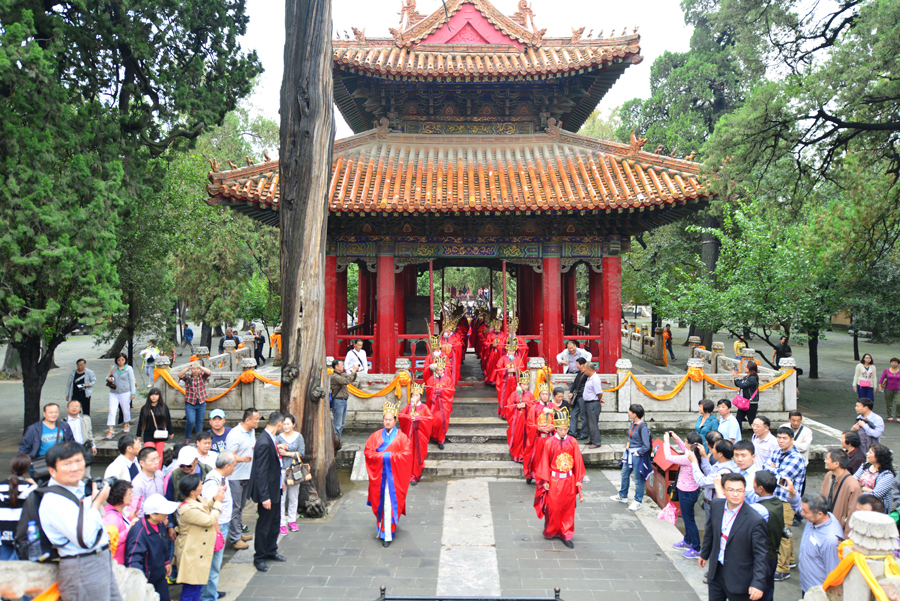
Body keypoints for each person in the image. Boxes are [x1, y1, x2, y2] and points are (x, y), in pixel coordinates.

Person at [39, 442, 120, 601]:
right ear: (52, 471)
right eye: (67, 463)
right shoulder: (54, 501)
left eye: (78, 460)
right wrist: (97, 503)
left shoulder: (81, 487)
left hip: (101, 560)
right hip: (82, 567)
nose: (75, 467)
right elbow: (86, 538)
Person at [699, 473, 768, 601]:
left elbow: (761, 555)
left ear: (745, 492)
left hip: (739, 578)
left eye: (739, 490)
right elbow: (710, 532)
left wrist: (758, 583)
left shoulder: (755, 520)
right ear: (724, 491)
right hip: (716, 571)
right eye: (731, 490)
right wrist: (704, 554)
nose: (735, 494)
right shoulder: (717, 505)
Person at [364, 400, 413, 548]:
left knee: (390, 503)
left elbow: (407, 454)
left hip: (394, 478)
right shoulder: (375, 436)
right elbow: (368, 452)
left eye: (390, 419)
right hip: (379, 476)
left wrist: (387, 456)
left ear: (395, 420)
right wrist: (385, 456)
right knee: (380, 502)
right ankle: (382, 526)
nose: (387, 422)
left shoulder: (402, 437)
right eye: (385, 419)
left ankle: (387, 533)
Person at [534, 408, 585, 548]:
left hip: (569, 480)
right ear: (555, 428)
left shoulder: (573, 442)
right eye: (560, 429)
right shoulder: (549, 442)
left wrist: (578, 480)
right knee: (553, 507)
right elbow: (544, 461)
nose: (563, 432)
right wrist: (545, 480)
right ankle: (552, 530)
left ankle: (566, 533)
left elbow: (578, 461)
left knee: (568, 508)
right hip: (554, 481)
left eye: (566, 429)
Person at [174, 473, 224, 601]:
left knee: (198, 586)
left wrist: (217, 497)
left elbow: (206, 507)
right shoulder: (187, 509)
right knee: (191, 589)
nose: (202, 485)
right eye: (200, 484)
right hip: (191, 553)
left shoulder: (198, 500)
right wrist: (218, 502)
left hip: (197, 551)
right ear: (192, 492)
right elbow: (209, 520)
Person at [765, 426, 806, 581]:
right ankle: (790, 561)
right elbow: (765, 468)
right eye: (779, 437)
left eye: (785, 438)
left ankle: (782, 569)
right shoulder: (776, 452)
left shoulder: (796, 457)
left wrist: (772, 470)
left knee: (783, 533)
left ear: (792, 439)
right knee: (784, 531)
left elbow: (782, 478)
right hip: (775, 497)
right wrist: (773, 470)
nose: (781, 441)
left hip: (787, 501)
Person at [249, 412, 287, 572]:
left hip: (275, 488)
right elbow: (261, 472)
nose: (283, 428)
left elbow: (274, 465)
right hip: (267, 493)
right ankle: (259, 556)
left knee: (275, 522)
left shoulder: (270, 439)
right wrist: (264, 497)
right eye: (282, 425)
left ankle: (271, 550)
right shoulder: (264, 442)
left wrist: (280, 483)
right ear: (279, 424)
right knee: (264, 525)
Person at [125, 493, 179, 601]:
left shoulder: (160, 524)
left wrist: (166, 561)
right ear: (153, 515)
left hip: (160, 576)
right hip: (147, 580)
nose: (167, 513)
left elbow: (163, 544)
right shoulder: (138, 532)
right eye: (164, 511)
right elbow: (133, 559)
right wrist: (140, 579)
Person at [201, 452, 236, 601]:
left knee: (216, 563)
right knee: (213, 565)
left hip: (222, 524)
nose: (234, 468)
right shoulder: (213, 481)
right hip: (217, 526)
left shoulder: (222, 477)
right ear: (227, 466)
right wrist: (217, 532)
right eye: (234, 465)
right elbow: (209, 507)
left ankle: (212, 591)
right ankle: (208, 596)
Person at [665, 431, 703, 559]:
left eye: (686, 440)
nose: (684, 442)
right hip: (689, 489)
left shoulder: (688, 458)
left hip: (687, 492)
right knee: (688, 519)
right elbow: (684, 448)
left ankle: (696, 548)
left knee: (689, 520)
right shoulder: (693, 453)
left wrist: (666, 441)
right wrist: (676, 438)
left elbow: (668, 457)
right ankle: (687, 541)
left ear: (691, 444)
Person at [797, 493, 845, 596]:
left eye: (805, 511)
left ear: (819, 514)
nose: (802, 514)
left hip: (819, 593)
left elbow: (834, 575)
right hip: (807, 585)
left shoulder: (830, 540)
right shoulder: (816, 519)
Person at [749, 470, 786, 601]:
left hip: (761, 557)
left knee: (758, 590)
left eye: (753, 482)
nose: (752, 485)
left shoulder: (758, 509)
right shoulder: (776, 502)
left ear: (760, 488)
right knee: (768, 588)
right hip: (773, 554)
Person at [225, 407, 258, 550]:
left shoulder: (252, 431)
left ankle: (237, 532)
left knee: (241, 506)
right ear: (247, 420)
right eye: (256, 419)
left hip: (248, 474)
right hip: (235, 476)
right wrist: (243, 459)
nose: (258, 421)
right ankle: (235, 538)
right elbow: (229, 456)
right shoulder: (234, 433)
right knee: (235, 507)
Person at [610, 404, 651, 511]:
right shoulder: (633, 423)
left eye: (630, 411)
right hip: (628, 453)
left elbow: (647, 445)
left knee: (638, 479)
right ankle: (623, 495)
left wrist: (638, 453)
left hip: (637, 455)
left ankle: (638, 501)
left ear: (635, 414)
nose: (628, 413)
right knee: (624, 474)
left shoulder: (643, 427)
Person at [820, 448, 861, 536]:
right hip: (824, 526)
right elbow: (821, 498)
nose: (825, 461)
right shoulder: (829, 476)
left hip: (838, 532)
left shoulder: (853, 486)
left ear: (836, 464)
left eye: (827, 459)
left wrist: (845, 538)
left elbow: (852, 516)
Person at [0, 455, 35, 561]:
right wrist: (36, 486)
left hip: (2, 533)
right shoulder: (30, 488)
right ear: (28, 469)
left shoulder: (1, 486)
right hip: (22, 534)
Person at [398, 383, 433, 485]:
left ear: (420, 396)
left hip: (419, 436)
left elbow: (430, 419)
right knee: (408, 454)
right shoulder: (408, 407)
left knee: (417, 456)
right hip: (409, 435)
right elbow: (401, 416)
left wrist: (417, 419)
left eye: (417, 395)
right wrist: (409, 418)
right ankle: (408, 474)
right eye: (413, 395)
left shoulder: (424, 407)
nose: (414, 397)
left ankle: (415, 475)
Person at [277, 413, 305, 533]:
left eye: (288, 423)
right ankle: (281, 523)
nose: (286, 426)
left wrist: (287, 453)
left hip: (295, 470)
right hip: (282, 470)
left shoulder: (299, 437)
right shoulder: (278, 438)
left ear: (293, 424)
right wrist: (279, 450)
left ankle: (292, 521)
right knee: (282, 498)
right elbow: (274, 452)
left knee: (294, 496)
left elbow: (302, 453)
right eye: (284, 424)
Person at [853, 443, 895, 512]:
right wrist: (868, 490)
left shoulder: (887, 475)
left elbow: (875, 495)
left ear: (878, 457)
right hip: (861, 506)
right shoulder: (865, 465)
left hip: (876, 510)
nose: (867, 454)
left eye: (870, 452)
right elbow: (853, 480)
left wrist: (859, 489)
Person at [177, 361, 212, 444]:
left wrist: (201, 367)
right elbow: (179, 375)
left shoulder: (202, 376)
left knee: (199, 422)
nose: (195, 370)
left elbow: (209, 372)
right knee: (191, 421)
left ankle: (198, 439)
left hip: (201, 402)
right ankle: (187, 438)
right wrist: (188, 368)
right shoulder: (188, 377)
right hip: (190, 402)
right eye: (193, 369)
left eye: (197, 369)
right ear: (191, 370)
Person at [504, 373, 535, 463]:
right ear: (520, 384)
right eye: (523, 384)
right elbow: (509, 406)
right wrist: (516, 407)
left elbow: (533, 407)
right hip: (517, 420)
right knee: (518, 437)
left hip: (527, 420)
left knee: (527, 437)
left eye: (527, 385)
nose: (525, 386)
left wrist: (526, 405)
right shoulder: (514, 394)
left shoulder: (530, 395)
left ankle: (525, 455)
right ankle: (518, 455)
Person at [103, 479, 134, 566]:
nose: (132, 496)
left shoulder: (118, 512)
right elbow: (110, 541)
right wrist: (129, 530)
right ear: (119, 495)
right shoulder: (112, 517)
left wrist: (130, 519)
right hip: (116, 565)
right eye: (129, 494)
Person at [105, 353, 136, 439]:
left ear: (125, 360)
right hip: (113, 392)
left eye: (122, 359)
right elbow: (107, 377)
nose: (120, 361)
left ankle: (126, 424)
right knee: (112, 411)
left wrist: (133, 393)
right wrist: (108, 379)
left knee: (125, 410)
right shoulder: (113, 368)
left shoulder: (128, 369)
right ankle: (111, 430)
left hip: (125, 392)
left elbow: (132, 381)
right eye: (119, 360)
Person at [130, 447, 166, 519]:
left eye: (157, 458)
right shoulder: (138, 483)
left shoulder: (159, 474)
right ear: (142, 463)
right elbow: (138, 510)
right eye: (152, 460)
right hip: (148, 521)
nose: (156, 462)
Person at [426, 358, 454, 450]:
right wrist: (434, 391)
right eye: (437, 370)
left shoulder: (448, 380)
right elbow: (428, 389)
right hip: (434, 404)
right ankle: (434, 436)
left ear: (444, 370)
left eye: (441, 370)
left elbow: (451, 391)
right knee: (434, 421)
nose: (439, 371)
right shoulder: (431, 379)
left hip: (444, 405)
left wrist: (441, 391)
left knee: (442, 421)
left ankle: (441, 440)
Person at [64, 399, 96, 477]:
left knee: (86, 474)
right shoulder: (63, 422)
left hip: (84, 448)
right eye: (71, 406)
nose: (74, 408)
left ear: (80, 409)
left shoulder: (86, 419)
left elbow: (89, 432)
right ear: (67, 409)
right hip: (70, 450)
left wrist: (93, 445)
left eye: (76, 406)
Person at [138, 387, 173, 455]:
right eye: (152, 395)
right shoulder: (144, 408)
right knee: (149, 453)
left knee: (159, 454)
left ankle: (158, 466)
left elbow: (168, 419)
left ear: (159, 396)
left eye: (156, 395)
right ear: (149, 396)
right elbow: (140, 422)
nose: (154, 396)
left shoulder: (164, 407)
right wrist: (138, 434)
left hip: (160, 434)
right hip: (148, 434)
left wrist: (171, 431)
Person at [330, 358, 358, 437]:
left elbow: (350, 378)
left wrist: (355, 372)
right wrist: (353, 371)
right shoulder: (334, 376)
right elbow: (346, 381)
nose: (342, 366)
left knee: (342, 423)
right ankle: (335, 441)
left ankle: (338, 440)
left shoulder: (341, 374)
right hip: (338, 401)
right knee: (338, 424)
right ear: (336, 366)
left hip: (343, 401)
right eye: (341, 365)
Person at [732, 361, 760, 432]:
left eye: (746, 366)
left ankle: (758, 434)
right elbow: (739, 384)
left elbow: (742, 385)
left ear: (750, 368)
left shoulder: (753, 378)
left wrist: (735, 377)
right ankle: (738, 436)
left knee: (752, 422)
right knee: (738, 419)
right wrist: (736, 378)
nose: (744, 367)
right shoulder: (746, 377)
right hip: (744, 403)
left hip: (751, 403)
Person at [581, 361, 605, 448]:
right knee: (589, 423)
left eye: (585, 369)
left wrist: (599, 399)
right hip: (588, 403)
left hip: (593, 403)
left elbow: (599, 392)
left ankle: (596, 442)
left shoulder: (595, 379)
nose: (584, 371)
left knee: (593, 423)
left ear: (590, 369)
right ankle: (592, 439)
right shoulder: (589, 377)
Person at [567, 357, 588, 439]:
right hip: (577, 398)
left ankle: (584, 434)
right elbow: (575, 384)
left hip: (583, 398)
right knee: (573, 414)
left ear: (582, 365)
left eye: (577, 364)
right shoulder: (579, 373)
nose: (576, 365)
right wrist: (571, 392)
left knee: (584, 417)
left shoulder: (586, 374)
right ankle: (573, 432)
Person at [879, 357, 900, 422]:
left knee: (898, 403)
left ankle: (898, 415)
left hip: (898, 389)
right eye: (892, 362)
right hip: (888, 389)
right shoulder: (887, 370)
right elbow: (882, 379)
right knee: (888, 403)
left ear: (898, 364)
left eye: (895, 362)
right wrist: (880, 386)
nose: (893, 364)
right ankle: (889, 415)